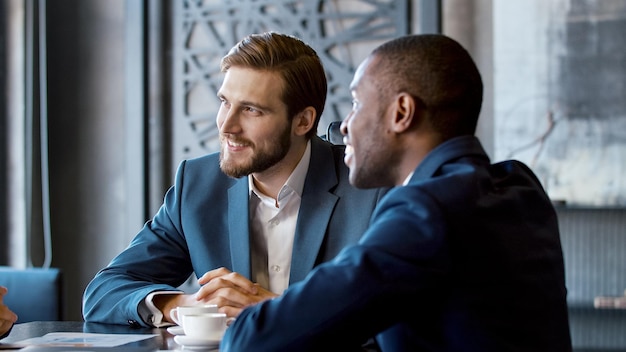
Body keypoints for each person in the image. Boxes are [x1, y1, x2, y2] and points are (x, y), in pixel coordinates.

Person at [220, 34, 573, 351]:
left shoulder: (426, 212)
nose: (344, 125)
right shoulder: (519, 184)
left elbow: (252, 340)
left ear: (401, 113)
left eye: (357, 104)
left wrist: (266, 311)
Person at [82, 32, 386, 328]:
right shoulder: (197, 185)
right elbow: (103, 292)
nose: (227, 125)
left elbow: (397, 310)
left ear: (303, 121)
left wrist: (277, 311)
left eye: (251, 110)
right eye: (225, 102)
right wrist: (183, 307)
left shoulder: (369, 187)